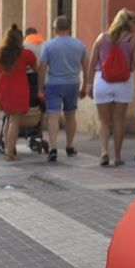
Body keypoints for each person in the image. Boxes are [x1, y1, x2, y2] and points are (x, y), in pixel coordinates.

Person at [84, 8, 135, 166]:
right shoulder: (133, 40)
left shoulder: (102, 37)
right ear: (128, 23)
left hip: (102, 81)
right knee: (119, 120)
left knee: (104, 121)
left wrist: (88, 84)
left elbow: (92, 63)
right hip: (123, 82)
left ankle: (104, 152)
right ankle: (118, 156)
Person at [37, 16, 87, 162]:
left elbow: (42, 68)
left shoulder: (48, 45)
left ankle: (53, 148)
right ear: (68, 28)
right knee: (71, 115)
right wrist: (86, 85)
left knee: (53, 116)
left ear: (55, 29)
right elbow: (86, 64)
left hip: (53, 84)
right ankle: (70, 146)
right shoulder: (79, 45)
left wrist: (40, 88)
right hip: (73, 83)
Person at [0, 26, 36, 162]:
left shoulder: (0, 53)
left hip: (3, 86)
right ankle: (9, 152)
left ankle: (8, 148)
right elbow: (36, 68)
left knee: (7, 118)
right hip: (18, 87)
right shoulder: (25, 54)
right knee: (15, 121)